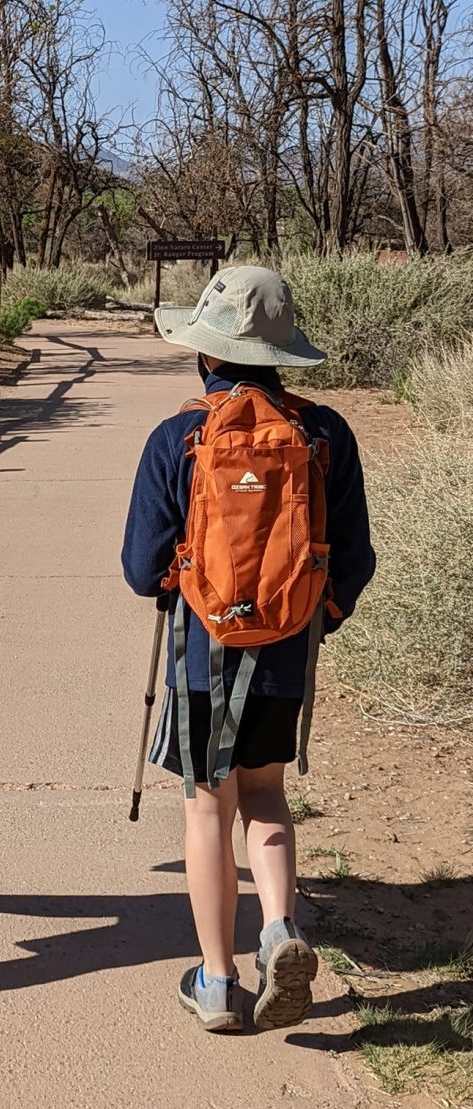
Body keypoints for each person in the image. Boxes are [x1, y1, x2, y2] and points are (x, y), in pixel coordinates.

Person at [122, 265, 375, 1033]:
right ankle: (278, 929)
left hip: (202, 654)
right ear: (283, 351)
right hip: (285, 653)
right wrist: (307, 618)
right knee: (265, 795)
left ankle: (215, 979)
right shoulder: (325, 435)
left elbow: (142, 569)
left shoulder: (180, 436)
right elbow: (354, 559)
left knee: (208, 808)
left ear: (206, 353)